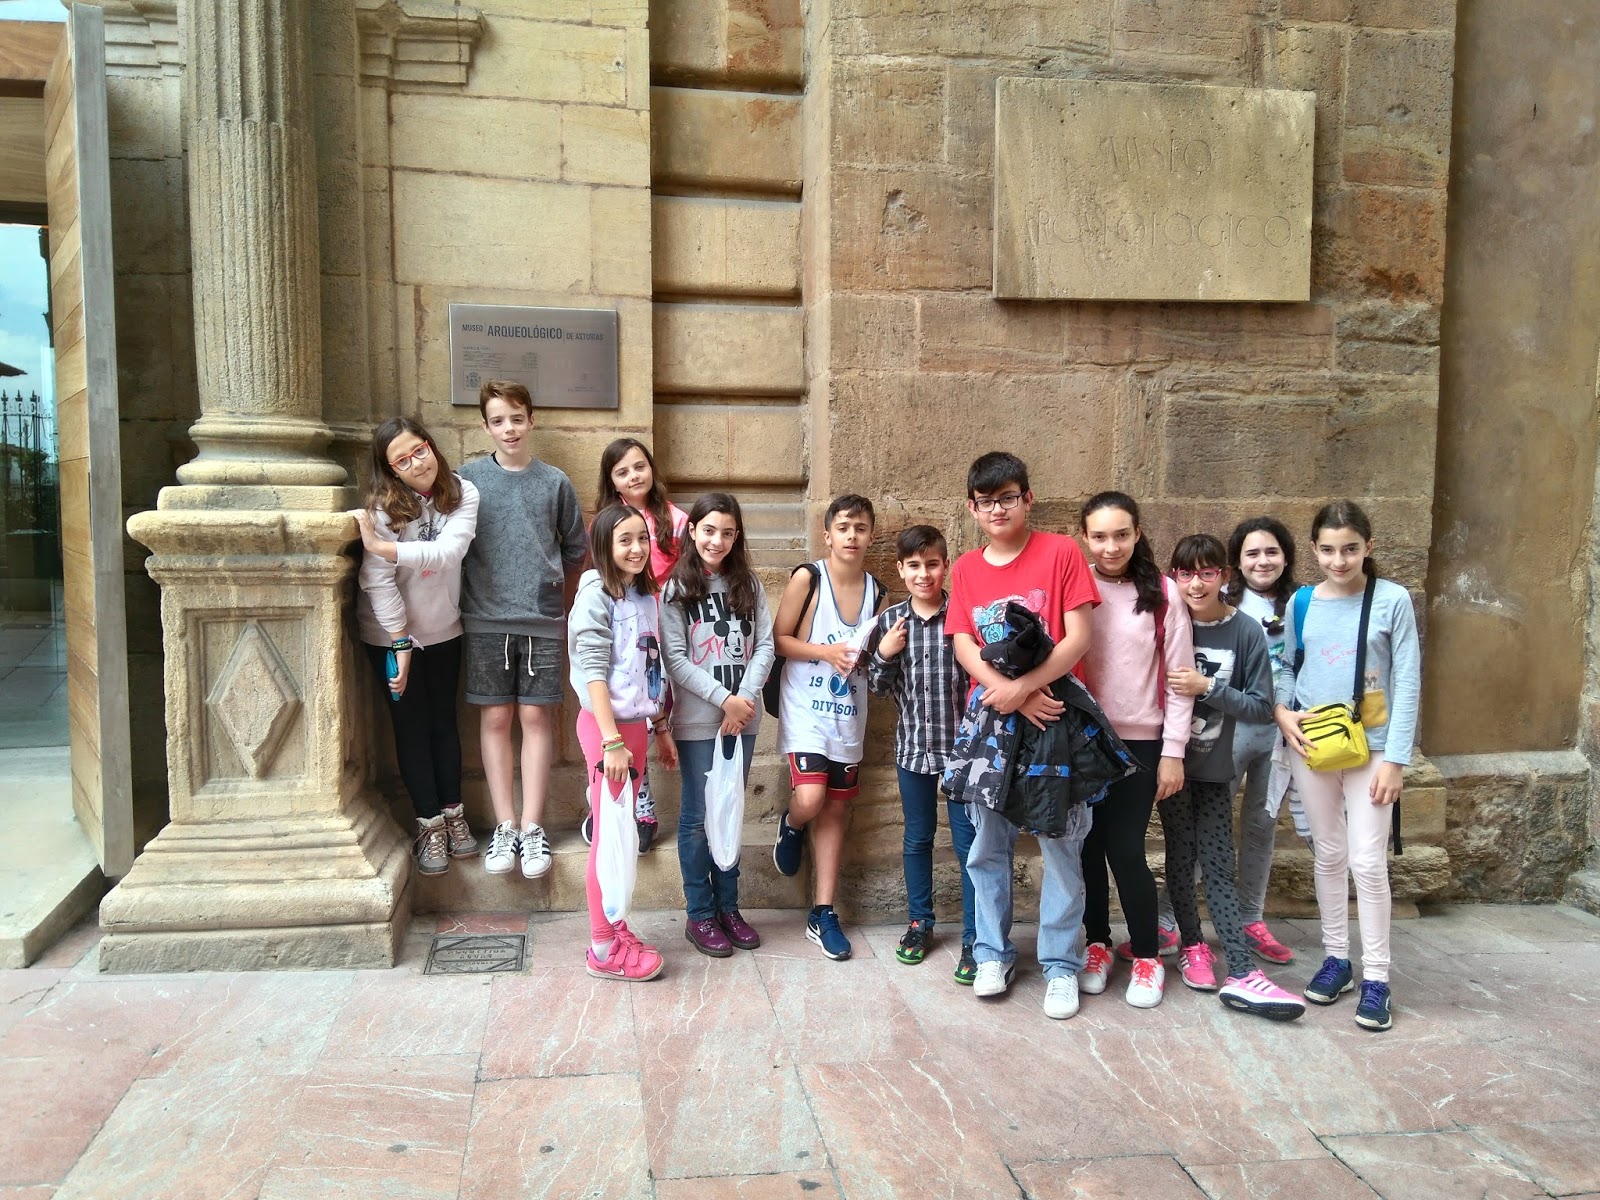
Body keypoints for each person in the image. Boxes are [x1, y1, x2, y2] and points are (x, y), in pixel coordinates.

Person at [946, 452, 1100, 1020]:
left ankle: (1061, 964)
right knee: (987, 845)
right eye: (986, 502)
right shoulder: (966, 568)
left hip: (1055, 719)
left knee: (1061, 844)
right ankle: (992, 953)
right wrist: (1007, 693)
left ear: (1027, 499)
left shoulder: (1061, 553)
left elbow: (1078, 636)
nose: (998, 510)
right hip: (991, 723)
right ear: (972, 508)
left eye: (1007, 498)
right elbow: (963, 641)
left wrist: (1028, 688)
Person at [1276, 501, 1420, 1032]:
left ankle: (1377, 977)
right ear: (1314, 549)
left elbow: (1408, 680)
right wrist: (1283, 713)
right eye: (1329, 550)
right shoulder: (1301, 602)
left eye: (1350, 549)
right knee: (1329, 853)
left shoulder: (1392, 599)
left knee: (1368, 860)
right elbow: (1289, 665)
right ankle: (1337, 958)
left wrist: (1396, 760)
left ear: (1368, 547)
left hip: (1374, 748)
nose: (1339, 561)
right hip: (1313, 743)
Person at [1163, 534, 1305, 1021]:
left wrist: (1208, 687)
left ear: (1224, 575)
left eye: (1207, 573)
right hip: (1170, 764)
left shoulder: (1243, 630)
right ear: (1174, 577)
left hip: (1213, 767)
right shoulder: (1168, 620)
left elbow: (1263, 707)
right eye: (1186, 573)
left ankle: (1242, 970)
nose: (1196, 584)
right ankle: (1192, 946)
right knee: (1180, 856)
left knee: (1219, 862)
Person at [460, 380, 587, 880]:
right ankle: (505, 825)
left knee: (536, 718)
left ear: (531, 420)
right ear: (486, 426)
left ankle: (533, 828)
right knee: (495, 718)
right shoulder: (468, 481)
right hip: (485, 618)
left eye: (516, 418)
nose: (509, 428)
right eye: (498, 420)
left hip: (541, 620)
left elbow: (575, 548)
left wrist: (554, 596)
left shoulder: (554, 482)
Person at [1076, 491, 1194, 1009]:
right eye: (1100, 536)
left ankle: (1147, 955)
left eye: (1121, 534)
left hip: (1141, 742)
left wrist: (1174, 751)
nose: (1111, 546)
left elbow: (1180, 680)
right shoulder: (1076, 587)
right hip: (1083, 739)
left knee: (1125, 850)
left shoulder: (1164, 593)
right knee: (1086, 848)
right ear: (1085, 538)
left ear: (1137, 533)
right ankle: (1097, 944)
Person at [352, 417, 480, 876]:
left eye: (418, 451)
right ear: (390, 470)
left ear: (430, 446)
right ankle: (429, 825)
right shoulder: (382, 510)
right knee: (410, 726)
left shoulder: (462, 493)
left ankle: (454, 815)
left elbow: (449, 553)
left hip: (444, 627)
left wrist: (387, 549)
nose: (416, 464)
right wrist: (400, 641)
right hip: (389, 636)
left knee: (444, 722)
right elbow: (377, 580)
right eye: (401, 461)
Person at [661, 493, 775, 956]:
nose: (717, 540)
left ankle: (730, 908)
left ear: (737, 536)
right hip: (699, 721)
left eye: (727, 533)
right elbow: (675, 657)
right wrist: (724, 699)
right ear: (692, 531)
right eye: (708, 530)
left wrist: (743, 700)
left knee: (729, 811)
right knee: (697, 817)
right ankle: (701, 914)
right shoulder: (677, 587)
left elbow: (764, 646)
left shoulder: (749, 584)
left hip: (741, 722)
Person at [771, 495, 884, 961]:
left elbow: (872, 656)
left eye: (860, 528)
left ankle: (823, 913)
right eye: (843, 527)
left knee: (835, 809)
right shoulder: (809, 578)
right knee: (811, 798)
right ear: (828, 534)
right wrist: (825, 652)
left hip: (848, 714)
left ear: (871, 536)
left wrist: (884, 653)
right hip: (805, 710)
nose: (851, 536)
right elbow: (778, 639)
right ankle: (792, 823)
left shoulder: (878, 591)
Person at [568, 503, 678, 981]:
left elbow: (648, 668)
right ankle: (602, 946)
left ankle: (614, 927)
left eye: (642, 539)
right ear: (604, 546)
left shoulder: (644, 594)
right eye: (624, 540)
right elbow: (594, 671)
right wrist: (612, 742)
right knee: (608, 838)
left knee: (621, 834)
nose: (636, 549)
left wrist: (660, 728)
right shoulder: (597, 594)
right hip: (607, 731)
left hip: (635, 728)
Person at [864, 525, 977, 982]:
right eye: (914, 566)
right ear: (900, 569)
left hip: (963, 754)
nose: (923, 574)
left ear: (945, 565)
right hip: (913, 750)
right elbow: (877, 687)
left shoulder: (962, 615)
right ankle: (920, 922)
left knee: (970, 845)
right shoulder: (892, 621)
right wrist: (885, 653)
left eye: (932, 564)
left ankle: (976, 936)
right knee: (917, 838)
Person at [588, 438, 687, 852]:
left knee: (650, 713)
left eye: (639, 466)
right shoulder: (604, 524)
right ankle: (623, 800)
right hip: (622, 635)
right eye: (622, 471)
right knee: (623, 716)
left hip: (662, 632)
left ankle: (638, 800)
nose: (634, 476)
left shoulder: (676, 521)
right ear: (611, 481)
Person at [1221, 516, 1304, 964]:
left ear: (1286, 557)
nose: (1262, 561)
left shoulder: (1303, 603)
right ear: (1237, 561)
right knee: (1208, 824)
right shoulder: (1222, 599)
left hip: (1279, 736)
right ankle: (1171, 920)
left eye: (1272, 551)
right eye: (1251, 553)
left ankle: (1251, 918)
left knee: (1261, 826)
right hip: (1228, 730)